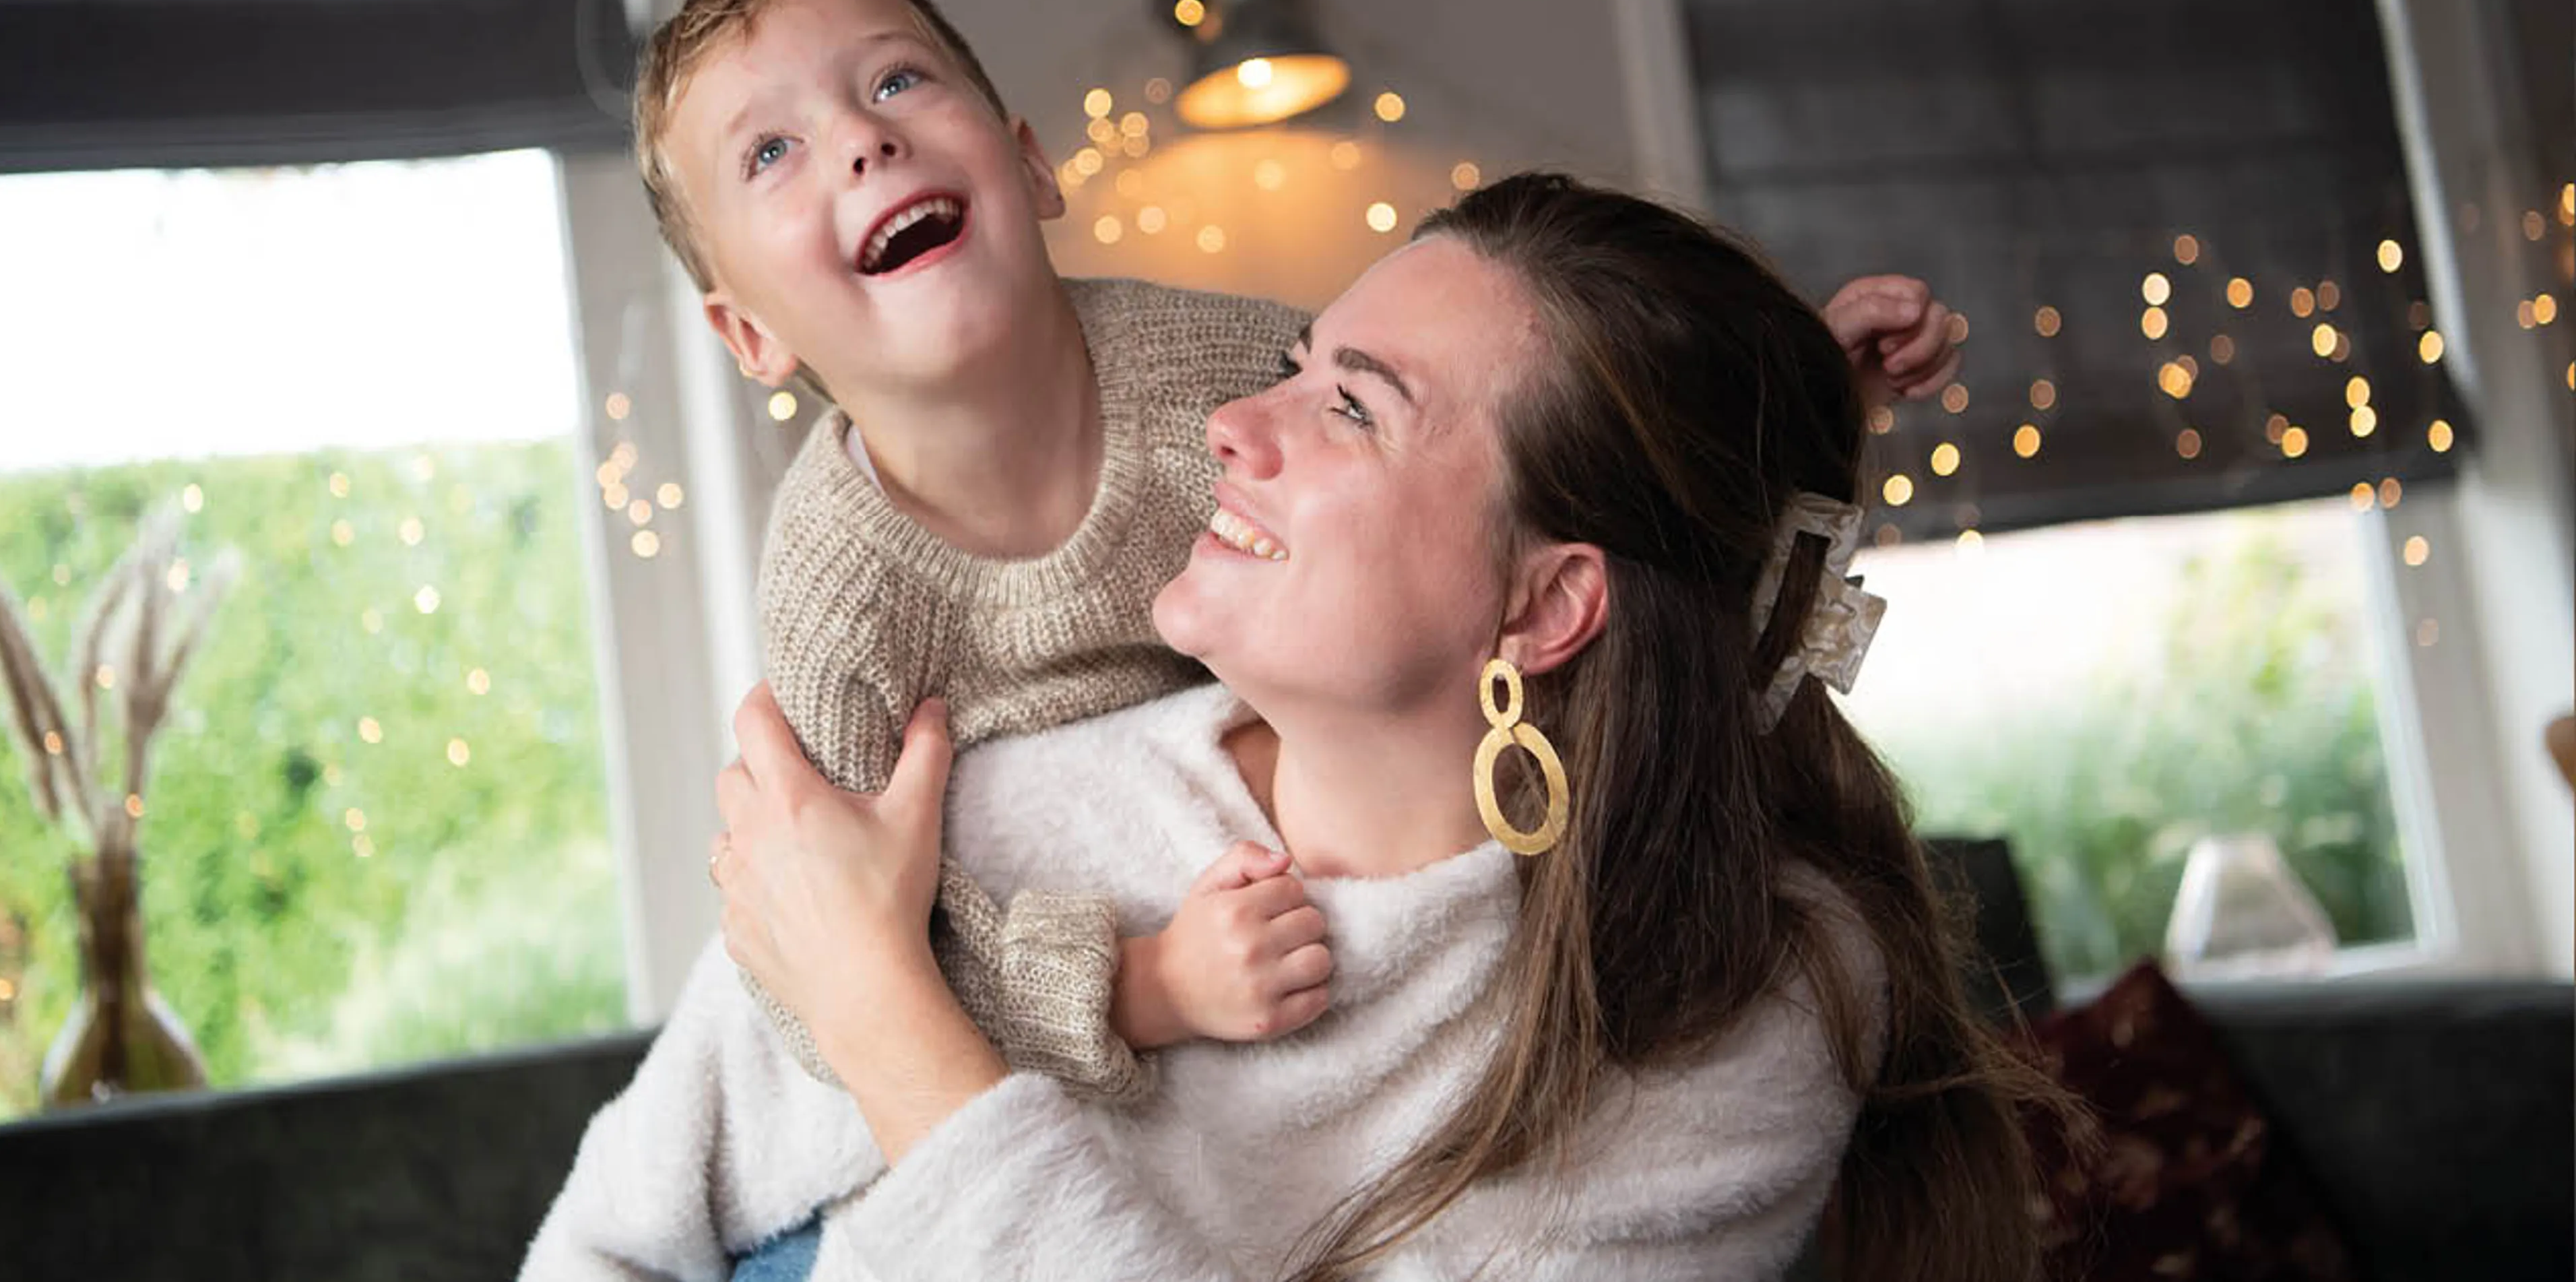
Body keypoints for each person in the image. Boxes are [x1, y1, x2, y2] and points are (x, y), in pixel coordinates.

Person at [531, 172, 2040, 1281]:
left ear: (1546, 608)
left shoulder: (1736, 1000)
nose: (1233, 427)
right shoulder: (986, 829)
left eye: (1353, 411)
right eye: (1295, 367)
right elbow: (610, 1241)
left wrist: (882, 1013)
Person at [610, 0, 1965, 1103]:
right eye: (773, 149)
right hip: (1083, 1001)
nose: (862, 136)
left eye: (897, 76)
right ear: (746, 334)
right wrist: (1136, 987)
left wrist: (1789, 405)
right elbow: (822, 962)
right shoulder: (843, 594)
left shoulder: (1221, 373)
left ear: (1031, 168)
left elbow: (1498, 460)